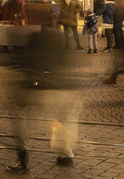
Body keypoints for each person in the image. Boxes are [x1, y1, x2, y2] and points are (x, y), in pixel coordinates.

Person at [7, 27, 79, 172]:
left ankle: (23, 160)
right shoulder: (58, 44)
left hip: (37, 90)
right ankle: (67, 155)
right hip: (61, 89)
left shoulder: (32, 44)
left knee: (19, 115)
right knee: (69, 116)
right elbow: (64, 62)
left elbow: (19, 63)